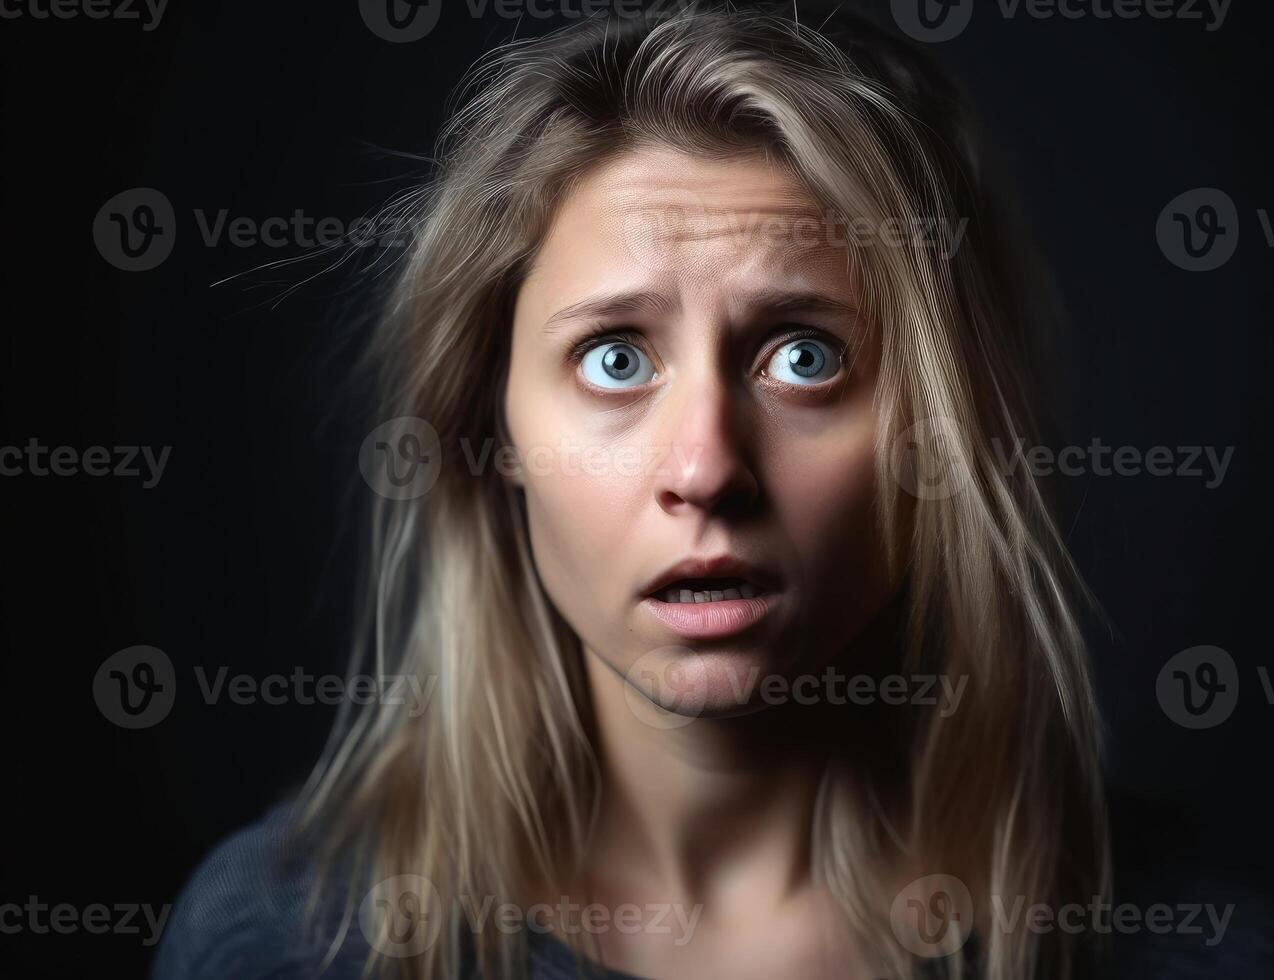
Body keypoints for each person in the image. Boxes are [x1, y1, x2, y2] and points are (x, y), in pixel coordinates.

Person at [152, 4, 1108, 978]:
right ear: (493, 431)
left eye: (804, 354)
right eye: (615, 358)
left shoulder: (1190, 945)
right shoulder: (279, 940)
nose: (705, 469)